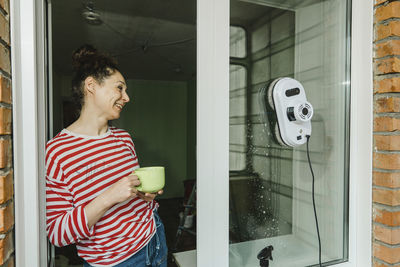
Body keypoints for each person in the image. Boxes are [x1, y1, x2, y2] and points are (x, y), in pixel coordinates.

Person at [45, 44, 167, 266]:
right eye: (120, 88)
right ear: (91, 86)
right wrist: (109, 197)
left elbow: (131, 192)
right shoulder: (57, 152)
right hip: (116, 261)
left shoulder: (124, 139)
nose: (126, 97)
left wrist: (145, 194)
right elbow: (57, 233)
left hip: (155, 238)